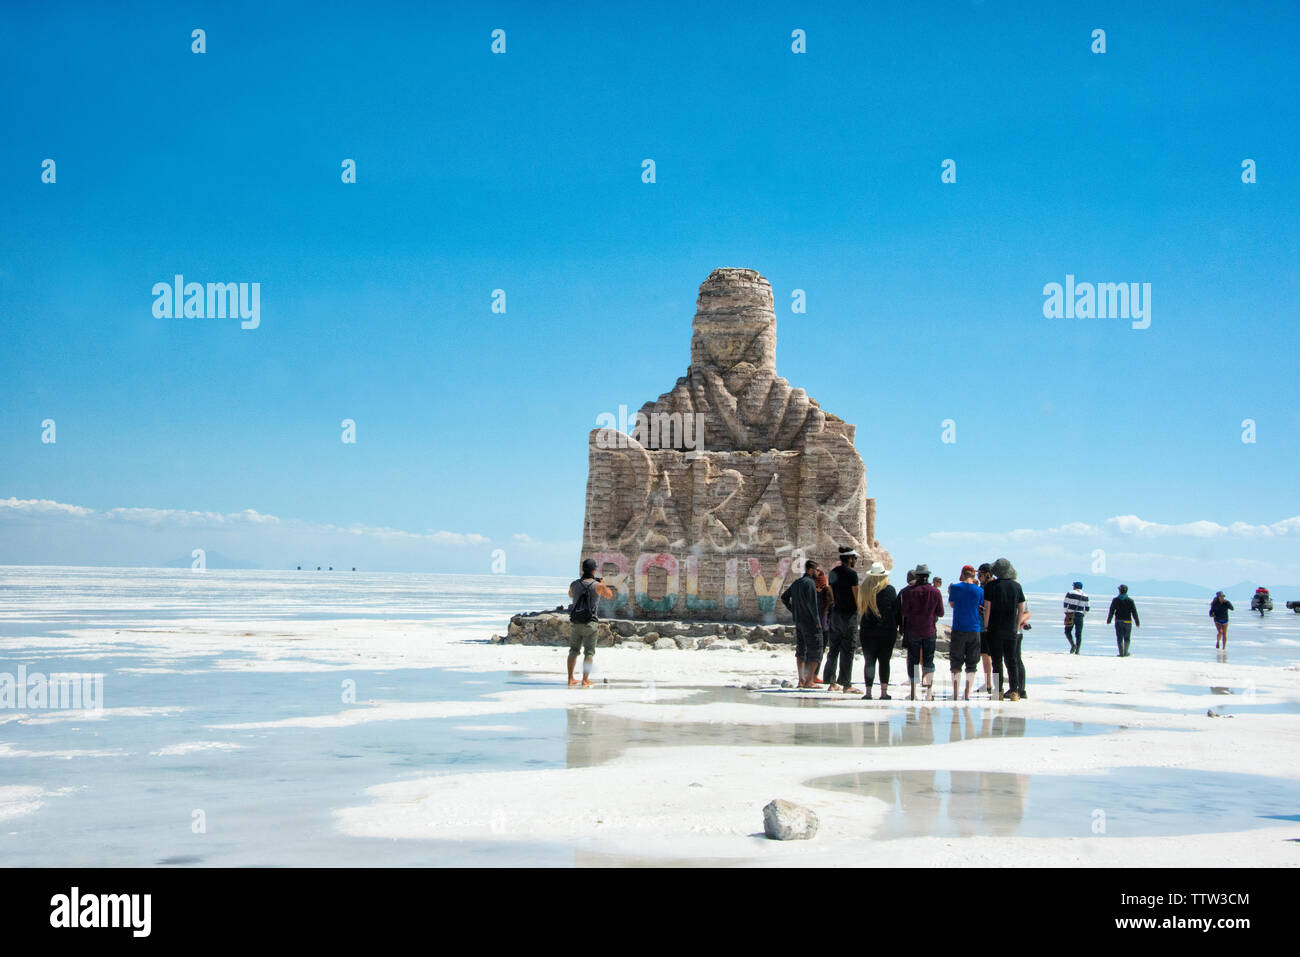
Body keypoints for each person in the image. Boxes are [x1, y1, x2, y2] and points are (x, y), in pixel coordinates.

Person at [982, 558, 1028, 701]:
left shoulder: (991, 586)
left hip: (994, 628)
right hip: (1011, 628)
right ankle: (1015, 692)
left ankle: (999, 691)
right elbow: (1021, 608)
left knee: (997, 661)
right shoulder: (1016, 586)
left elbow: (987, 608)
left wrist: (987, 625)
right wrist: (1017, 624)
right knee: (1012, 660)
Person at [899, 564, 944, 700]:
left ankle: (913, 693)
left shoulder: (910, 592)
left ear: (917, 576)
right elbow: (941, 612)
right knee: (929, 660)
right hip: (929, 630)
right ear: (928, 576)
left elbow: (904, 612)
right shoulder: (935, 592)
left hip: (913, 630)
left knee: (913, 661)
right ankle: (929, 693)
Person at [567, 558, 614, 687]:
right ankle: (585, 680)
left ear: (583, 569)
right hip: (590, 623)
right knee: (589, 652)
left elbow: (570, 594)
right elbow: (609, 595)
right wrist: (603, 584)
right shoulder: (598, 585)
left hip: (576, 623)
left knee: (573, 651)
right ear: (594, 570)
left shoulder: (574, 584)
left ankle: (570, 678)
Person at [858, 562, 900, 700]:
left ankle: (868, 692)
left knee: (869, 661)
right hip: (886, 630)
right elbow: (895, 610)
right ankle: (883, 692)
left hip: (867, 630)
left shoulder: (864, 589)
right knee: (884, 661)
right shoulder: (890, 590)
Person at [823, 547, 861, 693]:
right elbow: (855, 594)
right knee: (848, 649)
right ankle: (846, 684)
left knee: (834, 648)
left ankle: (831, 682)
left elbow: (831, 592)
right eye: (855, 558)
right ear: (850, 558)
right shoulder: (852, 574)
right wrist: (860, 611)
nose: (855, 561)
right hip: (848, 615)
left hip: (836, 613)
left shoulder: (833, 572)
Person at [781, 560, 824, 688]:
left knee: (801, 650)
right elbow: (812, 604)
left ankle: (801, 680)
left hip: (798, 621)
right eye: (817, 570)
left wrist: (793, 609)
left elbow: (784, 597)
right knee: (816, 650)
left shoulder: (796, 582)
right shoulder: (809, 583)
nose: (818, 572)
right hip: (810, 622)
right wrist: (817, 621)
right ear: (810, 570)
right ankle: (809, 681)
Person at [947, 565, 984, 701]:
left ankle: (956, 693)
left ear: (962, 574)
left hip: (958, 628)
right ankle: (967, 693)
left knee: (956, 662)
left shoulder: (955, 588)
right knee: (972, 663)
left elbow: (952, 604)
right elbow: (980, 605)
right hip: (974, 629)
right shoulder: (979, 590)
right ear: (973, 576)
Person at [976, 563, 996, 695]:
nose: (978, 577)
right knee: (987, 656)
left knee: (987, 656)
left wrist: (984, 610)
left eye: (980, 574)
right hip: (984, 625)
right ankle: (989, 683)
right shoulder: (983, 587)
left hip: (987, 626)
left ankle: (990, 684)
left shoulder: (990, 587)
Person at [1106, 584, 1140, 657]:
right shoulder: (1130, 601)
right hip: (1128, 621)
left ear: (1119, 591)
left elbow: (1111, 610)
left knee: (1119, 637)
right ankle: (1126, 652)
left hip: (1119, 621)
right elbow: (1134, 612)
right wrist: (1137, 622)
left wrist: (1109, 620)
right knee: (1127, 637)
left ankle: (1121, 653)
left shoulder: (1115, 600)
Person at [1063, 581, 1090, 654]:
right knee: (1078, 633)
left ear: (1075, 587)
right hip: (1080, 615)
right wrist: (1083, 614)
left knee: (1067, 631)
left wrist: (1066, 612)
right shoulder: (1085, 595)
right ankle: (1078, 650)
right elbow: (1087, 608)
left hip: (1070, 614)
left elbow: (1065, 603)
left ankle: (1073, 645)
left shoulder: (1070, 593)